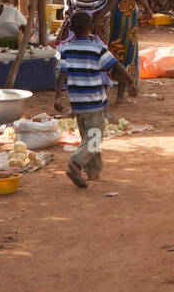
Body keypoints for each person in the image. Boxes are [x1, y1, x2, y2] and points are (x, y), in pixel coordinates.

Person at [56, 11, 133, 188]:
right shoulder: (97, 48)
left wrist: (58, 97)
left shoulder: (66, 49)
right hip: (94, 102)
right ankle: (76, 163)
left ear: (71, 29)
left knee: (89, 138)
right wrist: (131, 82)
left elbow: (62, 74)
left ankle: (93, 172)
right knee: (95, 137)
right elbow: (115, 65)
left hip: (77, 104)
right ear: (91, 28)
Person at [104, 0, 151, 103]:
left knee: (104, 50)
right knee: (125, 50)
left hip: (101, 11)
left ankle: (101, 93)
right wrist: (148, 8)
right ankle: (120, 96)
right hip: (123, 11)